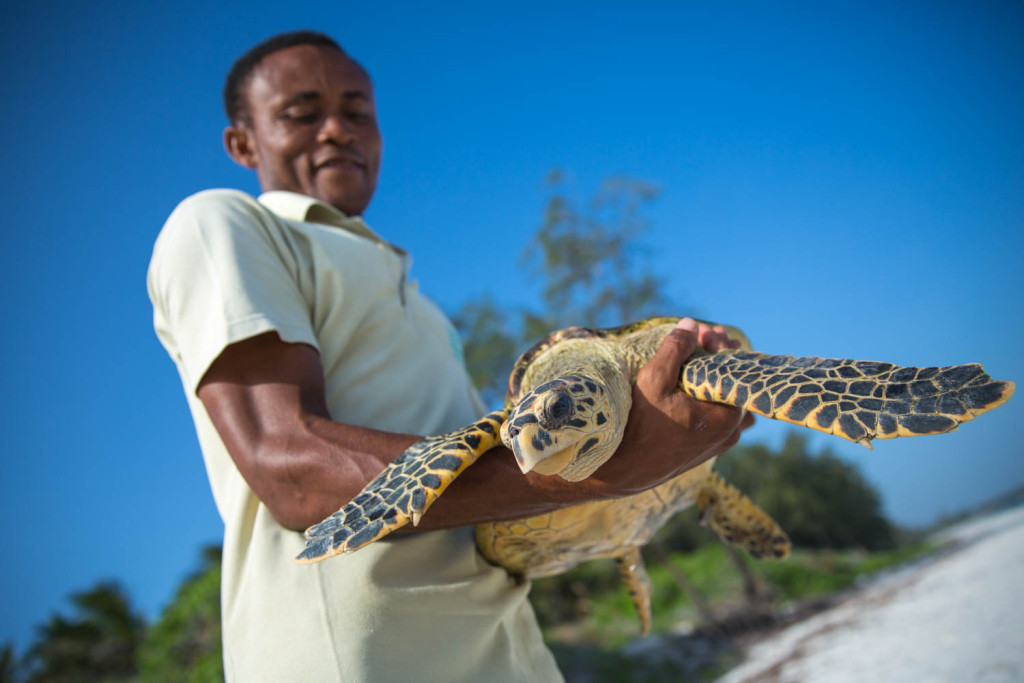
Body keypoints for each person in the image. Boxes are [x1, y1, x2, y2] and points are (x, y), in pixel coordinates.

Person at [147, 30, 752, 682]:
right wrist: (596, 471)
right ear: (242, 142)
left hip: (508, 647)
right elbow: (292, 468)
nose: (335, 131)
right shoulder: (225, 224)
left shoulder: (423, 305)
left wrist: (642, 445)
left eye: (357, 112)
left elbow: (494, 485)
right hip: (360, 658)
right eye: (301, 113)